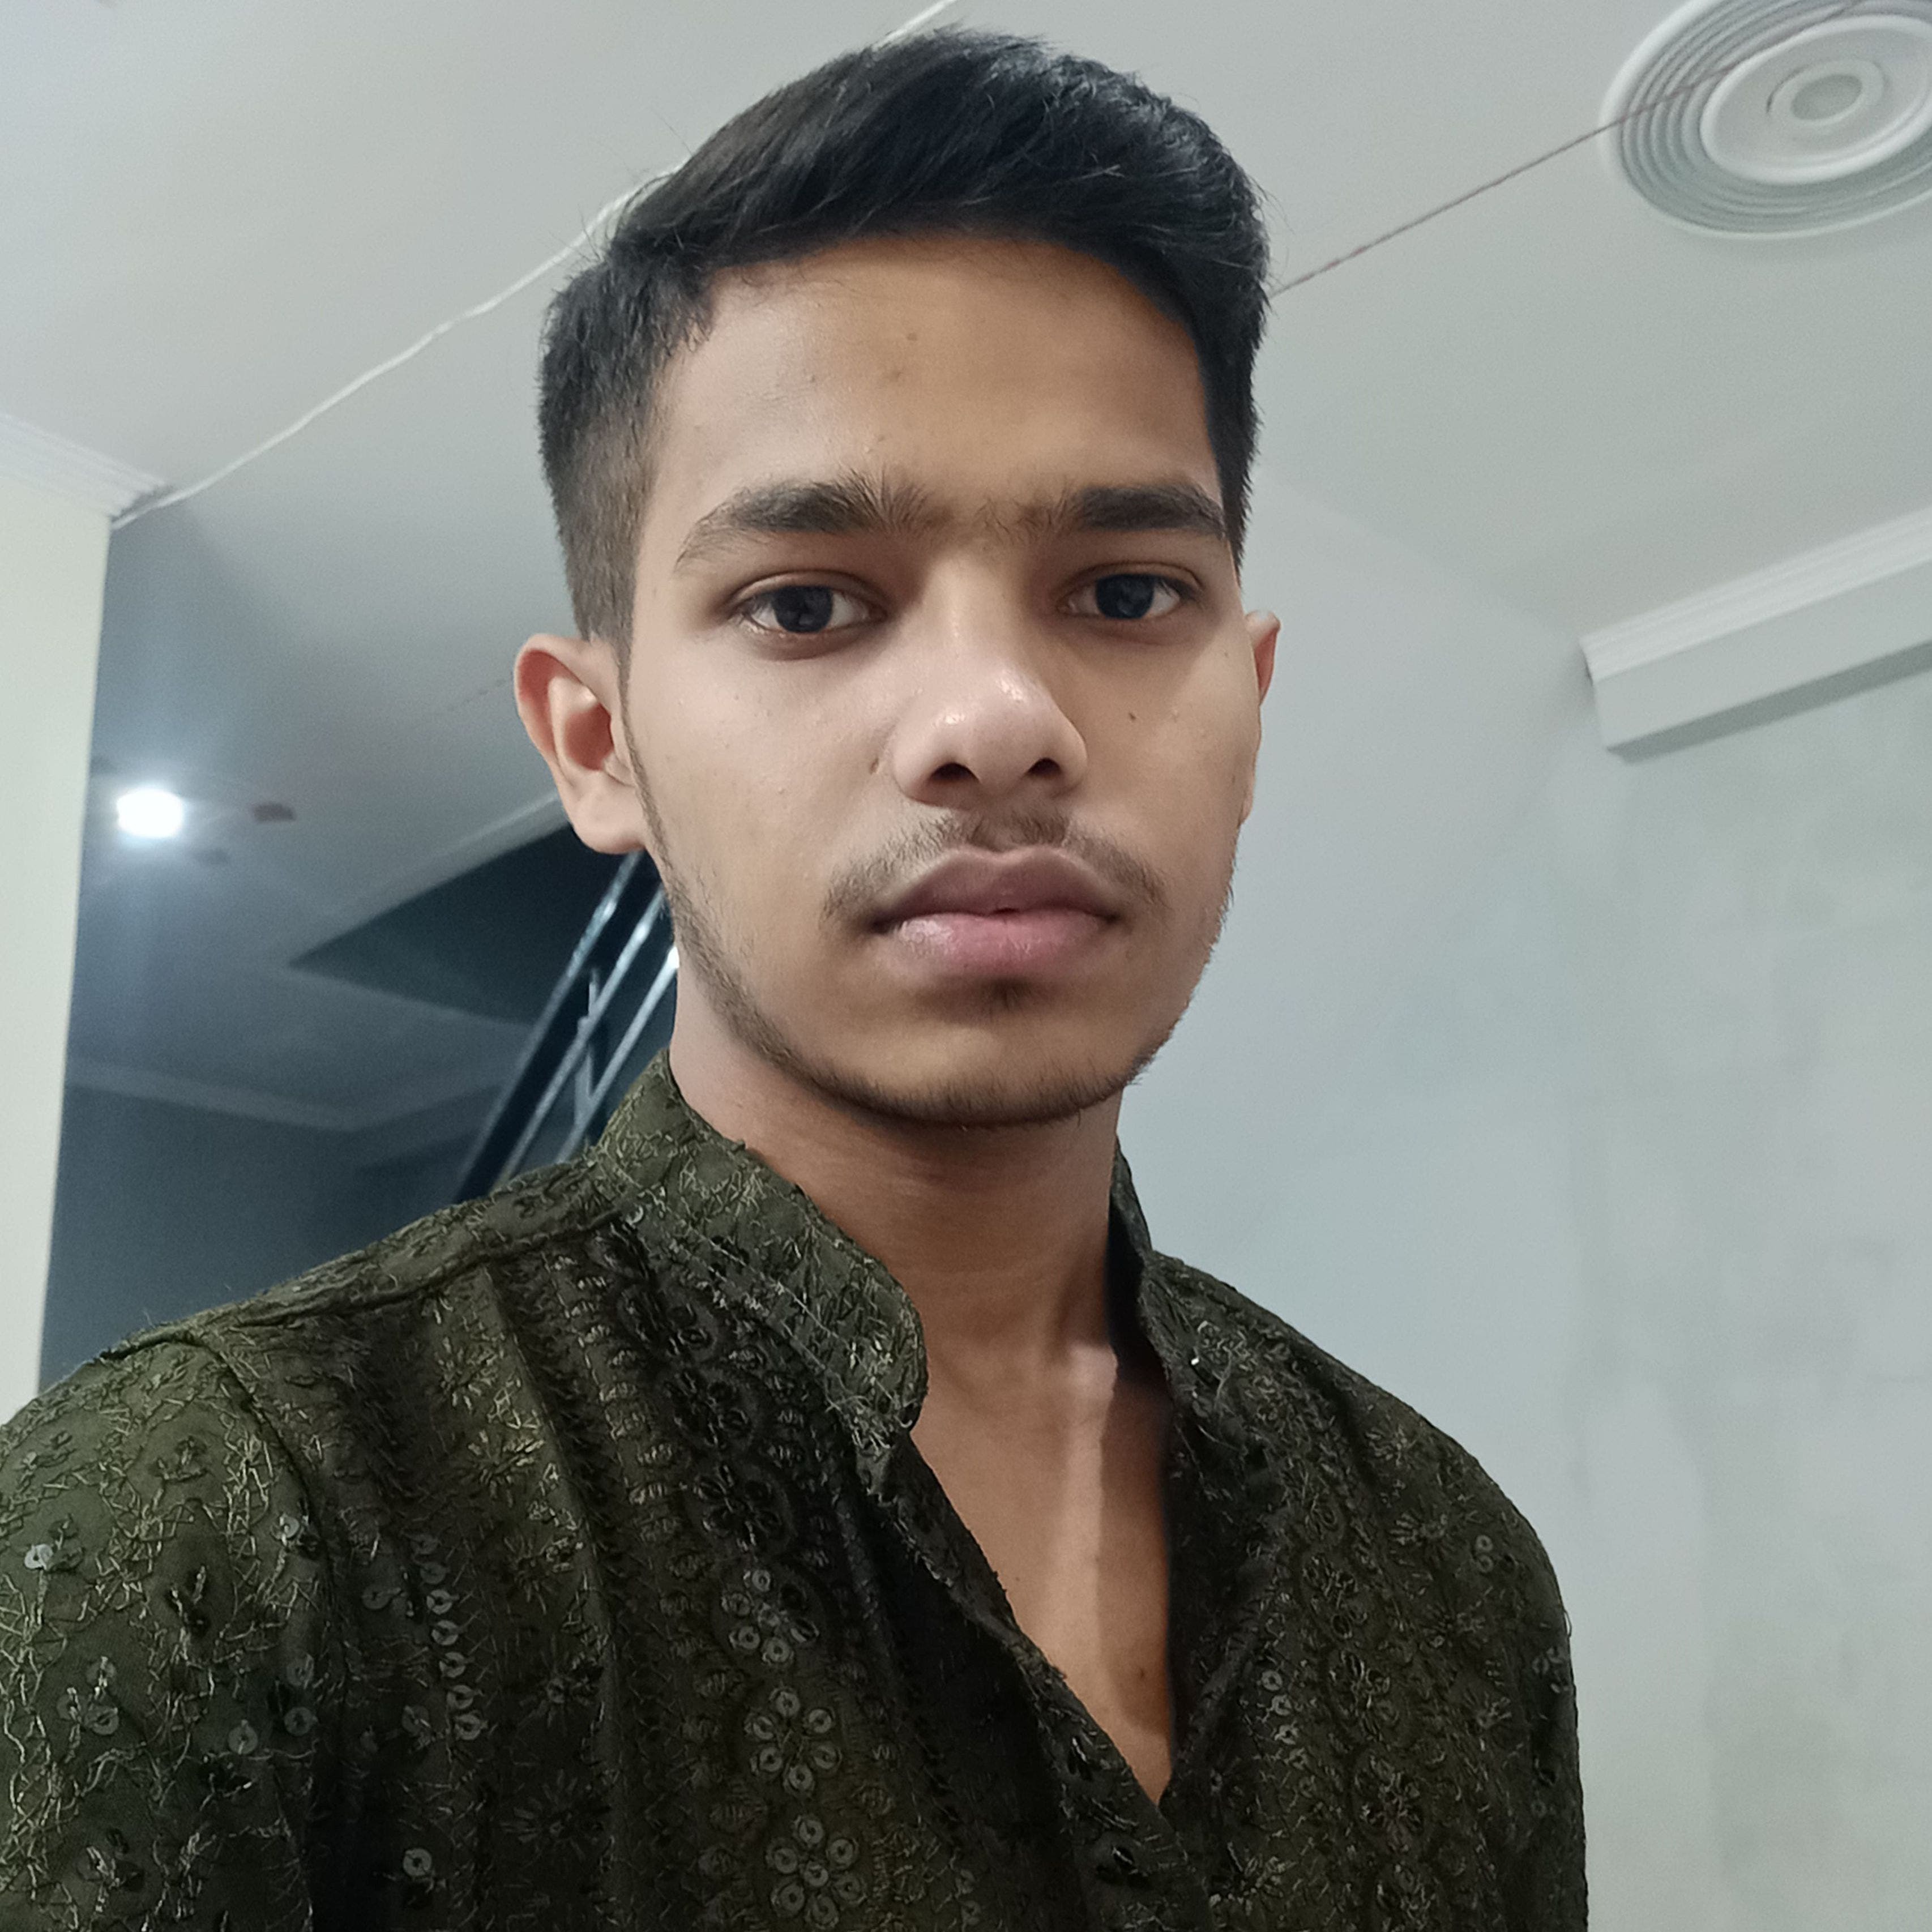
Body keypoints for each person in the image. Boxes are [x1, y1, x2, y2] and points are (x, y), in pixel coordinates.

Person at [0, 28, 1583, 1929]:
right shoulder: (215, 1526)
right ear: (596, 745)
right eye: (808, 602)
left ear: (1245, 707)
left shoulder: (1441, 1554)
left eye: (1123, 592)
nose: (996, 720)